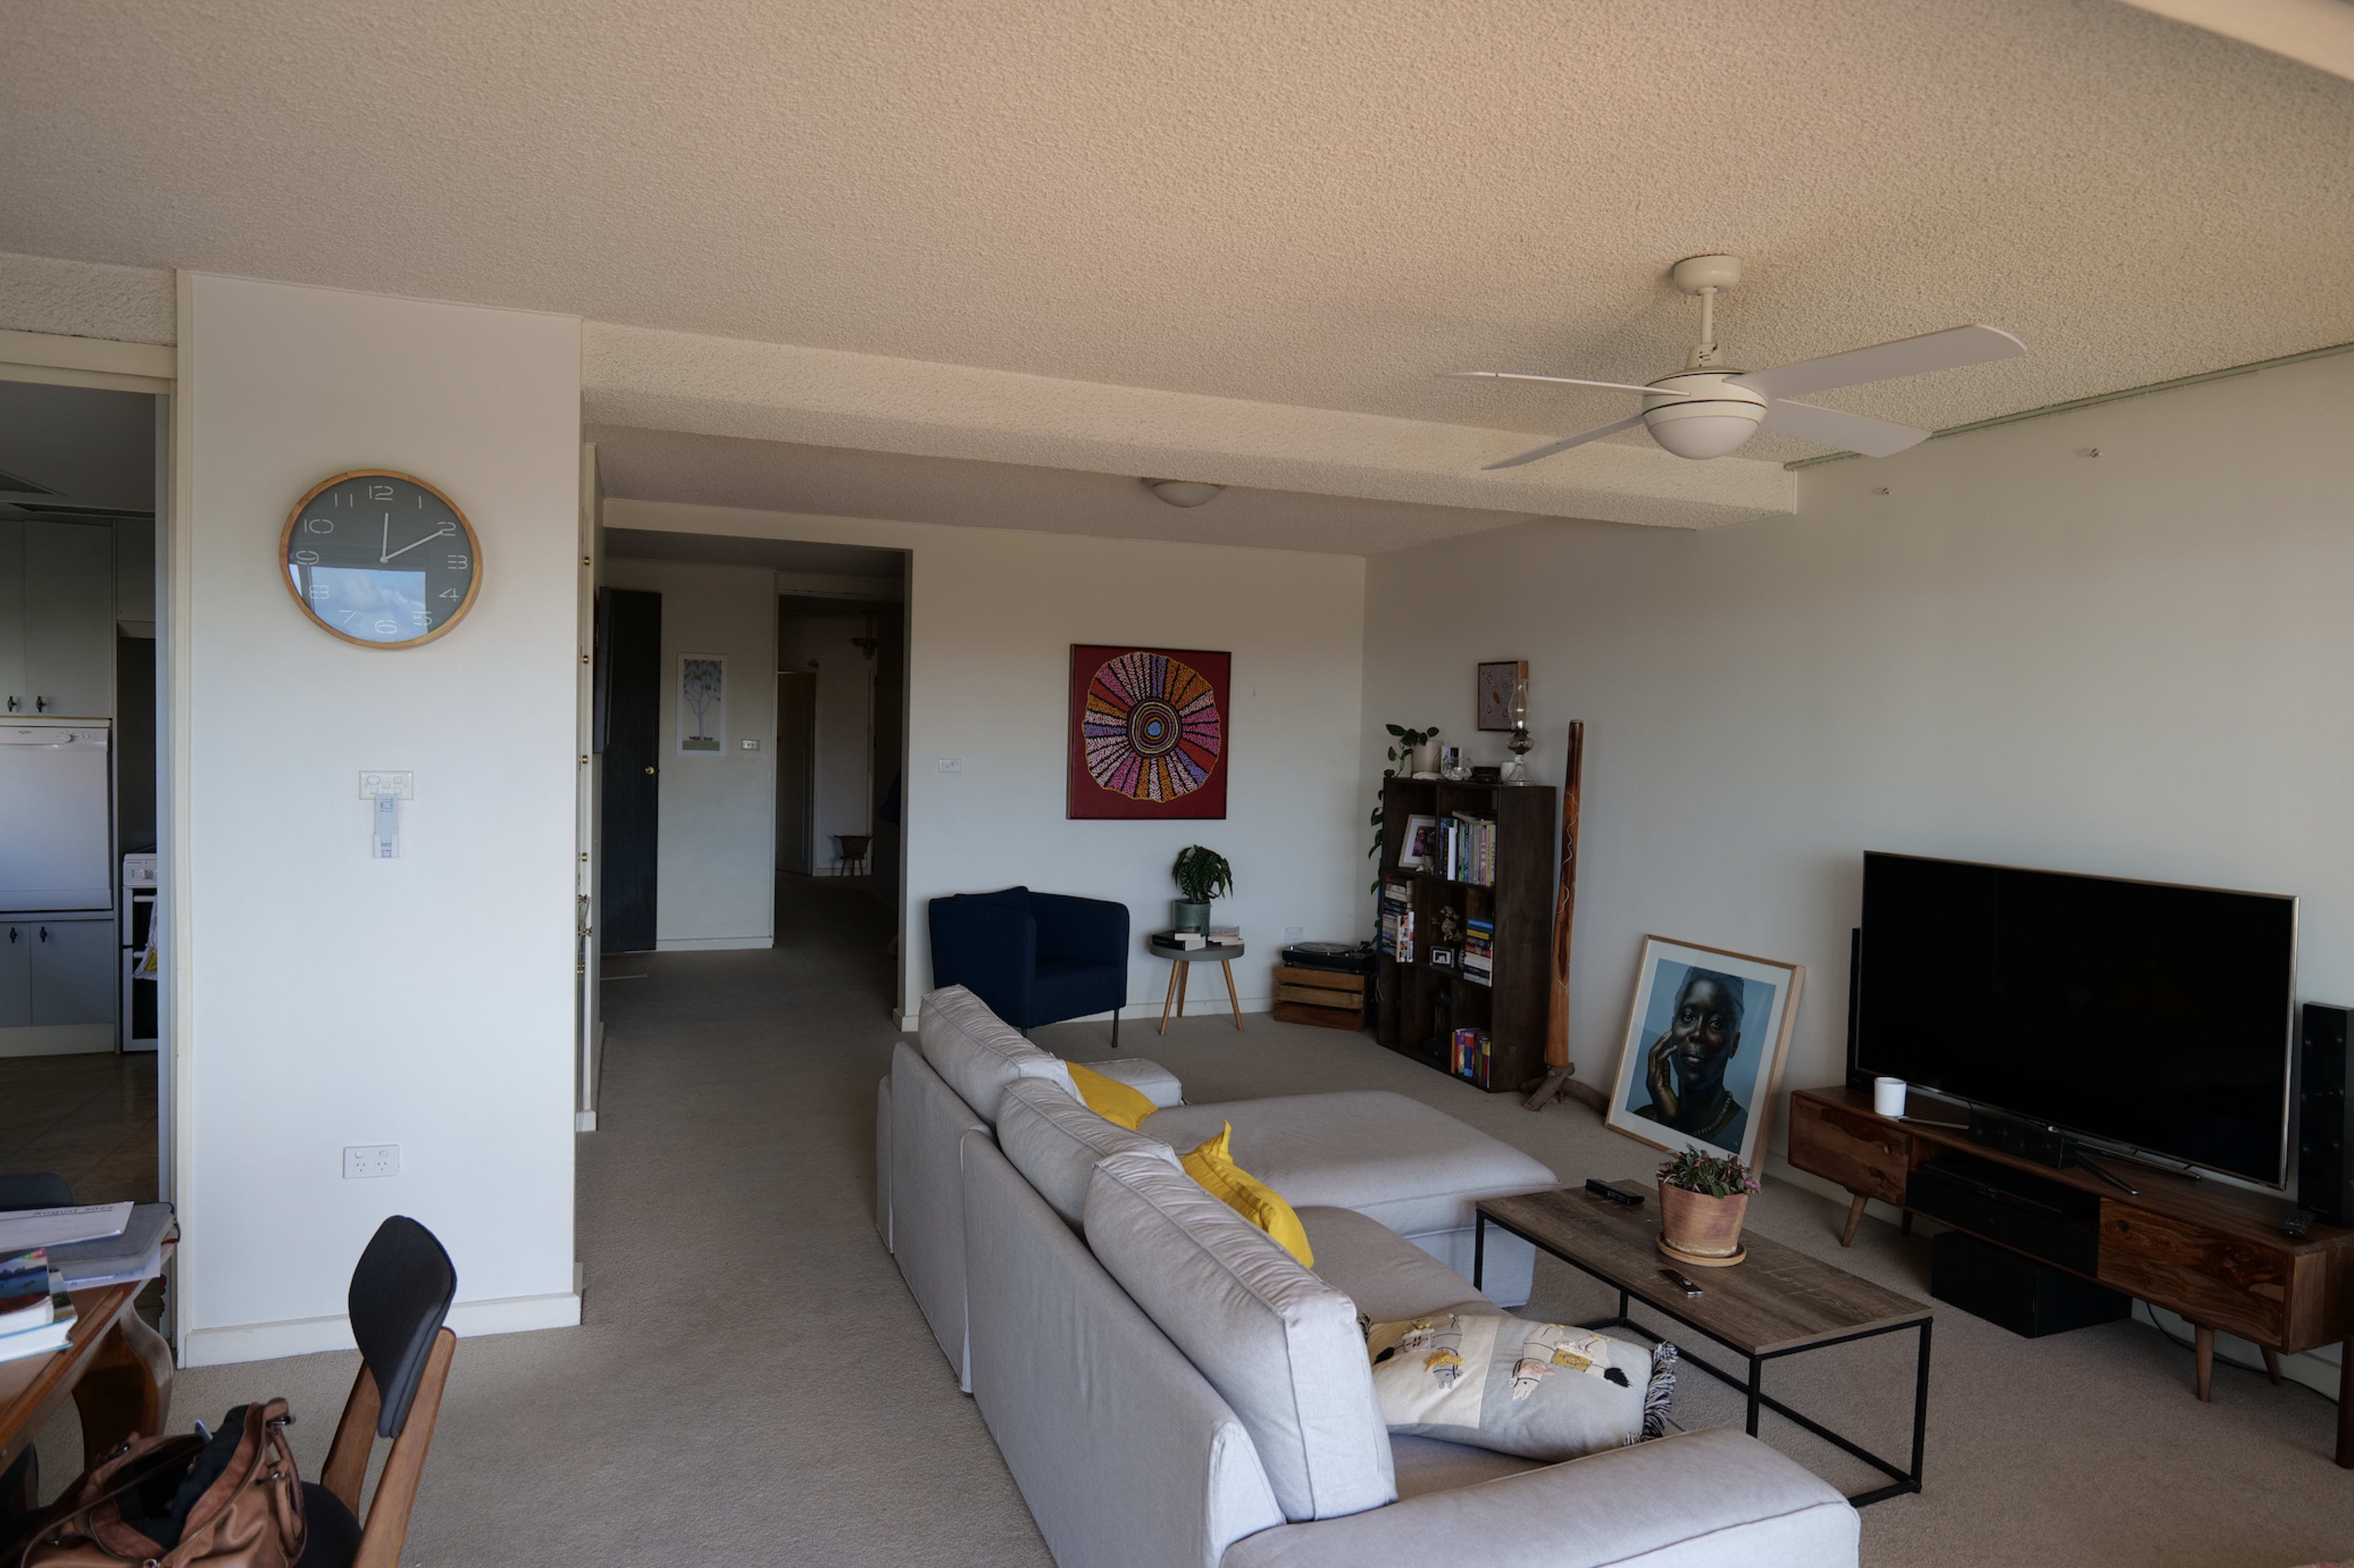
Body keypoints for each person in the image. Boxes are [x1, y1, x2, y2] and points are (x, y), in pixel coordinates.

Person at [1632, 967, 1750, 1151]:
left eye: (1715, 1023)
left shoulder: (1744, 1137)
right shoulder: (1643, 1118)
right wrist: (1667, 1122)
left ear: (1734, 1044)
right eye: (1688, 1017)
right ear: (1672, 1028)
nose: (1697, 1034)